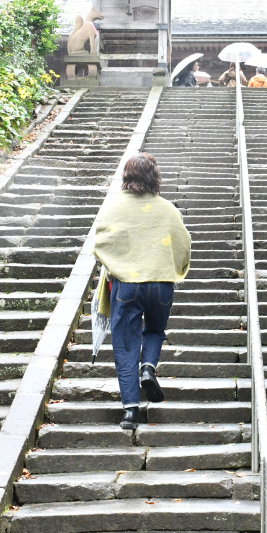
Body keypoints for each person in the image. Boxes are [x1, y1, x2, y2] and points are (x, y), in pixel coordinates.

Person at [92, 153, 191, 430]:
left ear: (127, 176)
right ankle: (148, 367)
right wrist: (175, 270)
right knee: (155, 331)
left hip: (127, 285)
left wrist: (118, 264)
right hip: (160, 284)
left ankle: (130, 412)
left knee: (125, 345)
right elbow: (184, 244)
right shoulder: (168, 209)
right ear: (154, 177)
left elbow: (100, 244)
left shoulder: (114, 208)